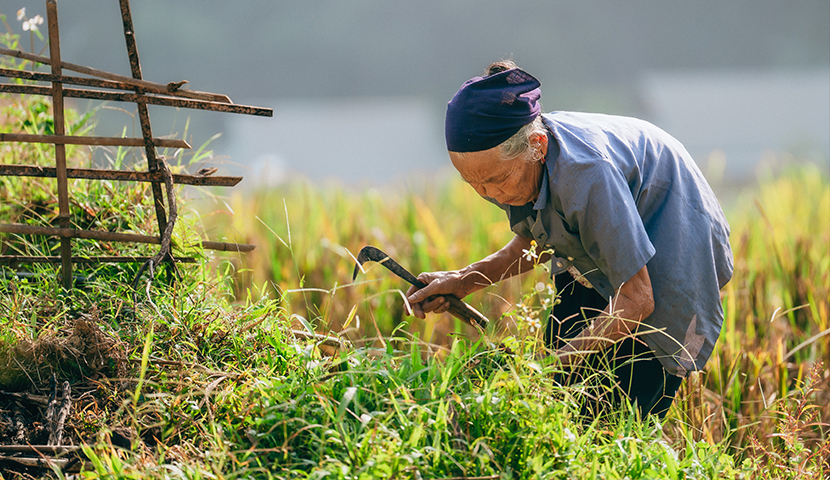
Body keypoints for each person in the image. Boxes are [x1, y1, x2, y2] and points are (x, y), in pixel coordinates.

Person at [405, 60, 734, 419]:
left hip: (674, 227)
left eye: (497, 180)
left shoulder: (587, 175)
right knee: (559, 397)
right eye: (474, 183)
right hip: (601, 240)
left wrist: (551, 363)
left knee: (618, 408)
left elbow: (638, 299)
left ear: (538, 145)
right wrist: (462, 281)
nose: (489, 193)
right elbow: (534, 241)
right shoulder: (511, 168)